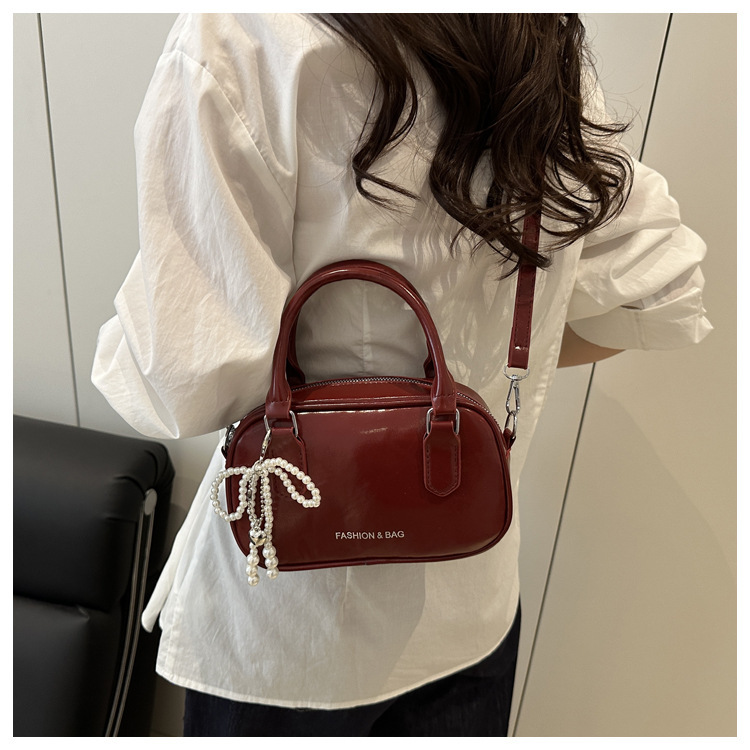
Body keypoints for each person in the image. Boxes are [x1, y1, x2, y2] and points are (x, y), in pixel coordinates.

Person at [92, 13, 712, 737]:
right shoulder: (535, 39)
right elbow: (662, 287)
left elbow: (184, 382)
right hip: (468, 611)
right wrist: (483, 370)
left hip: (288, 635)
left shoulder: (244, 32)